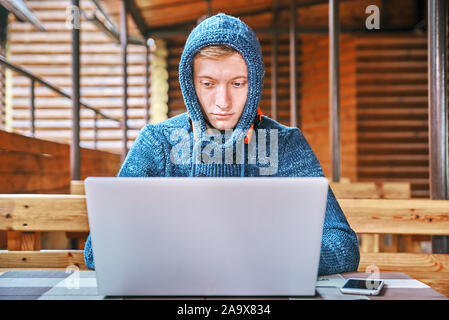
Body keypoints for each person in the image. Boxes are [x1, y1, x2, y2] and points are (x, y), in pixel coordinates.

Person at [84, 13, 360, 276]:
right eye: (208, 83)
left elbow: (343, 246)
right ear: (191, 84)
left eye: (237, 84)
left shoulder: (285, 144)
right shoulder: (157, 142)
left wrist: (255, 257)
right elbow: (97, 250)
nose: (223, 102)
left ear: (254, 83)